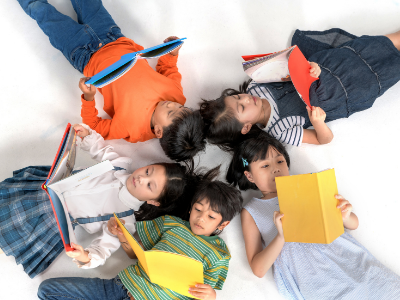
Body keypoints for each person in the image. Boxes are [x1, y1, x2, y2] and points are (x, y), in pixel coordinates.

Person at [16, 0, 205, 162]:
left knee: (41, 11)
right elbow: (168, 69)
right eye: (181, 107)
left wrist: (88, 97)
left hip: (82, 53)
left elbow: (96, 127)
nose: (173, 104)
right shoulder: (177, 96)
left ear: (158, 131)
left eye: (171, 113)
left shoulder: (131, 129)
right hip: (112, 35)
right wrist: (171, 53)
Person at [0, 124, 199, 278]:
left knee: (12, 230)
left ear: (154, 202)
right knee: (10, 199)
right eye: (148, 171)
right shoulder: (120, 165)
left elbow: (103, 249)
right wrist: (86, 135)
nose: (142, 178)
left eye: (149, 186)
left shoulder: (125, 221)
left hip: (53, 219)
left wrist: (85, 256)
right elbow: (99, 149)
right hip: (51, 186)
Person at [226, 129, 400, 299]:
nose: (275, 169)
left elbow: (353, 225)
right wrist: (281, 236)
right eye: (265, 165)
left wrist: (345, 214)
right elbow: (258, 269)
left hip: (347, 259)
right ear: (249, 176)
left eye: (280, 161)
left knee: (382, 287)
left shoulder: (308, 185)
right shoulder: (252, 211)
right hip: (313, 277)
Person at [37, 166, 243, 300]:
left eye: (211, 217)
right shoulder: (170, 224)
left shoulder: (219, 253)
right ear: (191, 208)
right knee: (47, 291)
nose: (200, 218)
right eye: (198, 210)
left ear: (222, 224)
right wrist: (122, 237)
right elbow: (136, 255)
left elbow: (206, 291)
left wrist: (211, 296)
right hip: (118, 288)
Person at [200, 27, 400, 150]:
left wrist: (308, 67)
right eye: (241, 107)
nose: (245, 99)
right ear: (246, 127)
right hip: (343, 94)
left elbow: (289, 67)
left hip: (327, 67)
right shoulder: (280, 130)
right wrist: (318, 123)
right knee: (388, 70)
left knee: (372, 46)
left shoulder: (256, 85)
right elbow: (324, 140)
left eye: (237, 98)